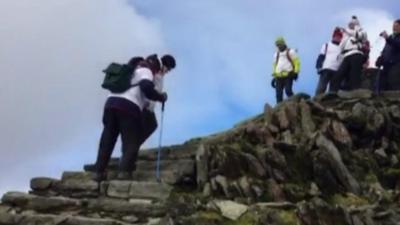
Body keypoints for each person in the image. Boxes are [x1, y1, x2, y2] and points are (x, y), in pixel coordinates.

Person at [93, 54, 167, 182]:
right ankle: (124, 172)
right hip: (128, 107)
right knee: (131, 141)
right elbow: (146, 87)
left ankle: (99, 172)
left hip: (110, 105)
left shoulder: (130, 71)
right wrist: (160, 97)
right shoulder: (146, 70)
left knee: (107, 139)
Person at [139, 54, 176, 147]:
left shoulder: (159, 73)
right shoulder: (154, 69)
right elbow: (147, 86)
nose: (168, 71)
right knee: (148, 125)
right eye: (169, 69)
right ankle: (132, 147)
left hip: (148, 107)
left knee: (152, 125)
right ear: (165, 65)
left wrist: (161, 96)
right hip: (144, 105)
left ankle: (133, 146)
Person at [330, 16, 369, 92]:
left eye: (353, 24)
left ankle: (355, 92)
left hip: (356, 54)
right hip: (346, 56)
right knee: (338, 75)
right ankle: (333, 92)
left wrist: (346, 30)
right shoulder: (346, 36)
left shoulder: (362, 32)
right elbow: (341, 47)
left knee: (354, 74)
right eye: (350, 24)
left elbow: (359, 36)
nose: (351, 25)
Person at [271, 37, 301, 103]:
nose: (278, 46)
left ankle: (296, 102)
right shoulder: (276, 54)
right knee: (278, 94)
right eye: (277, 45)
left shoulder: (291, 52)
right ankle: (279, 108)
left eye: (280, 44)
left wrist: (296, 72)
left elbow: (297, 62)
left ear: (283, 43)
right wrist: (274, 77)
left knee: (288, 91)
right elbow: (275, 65)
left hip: (288, 75)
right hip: (278, 77)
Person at [315, 28, 344, 95]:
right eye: (336, 36)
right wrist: (318, 66)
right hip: (326, 68)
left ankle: (330, 103)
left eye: (339, 37)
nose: (337, 38)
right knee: (321, 87)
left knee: (333, 90)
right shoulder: (326, 45)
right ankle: (317, 100)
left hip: (337, 70)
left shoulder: (342, 48)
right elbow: (321, 56)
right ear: (333, 37)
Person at [376, 19, 400, 91]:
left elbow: (397, 44)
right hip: (386, 64)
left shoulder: (391, 38)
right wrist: (380, 58)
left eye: (396, 26)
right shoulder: (391, 37)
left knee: (393, 82)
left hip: (396, 64)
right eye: (393, 26)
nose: (394, 28)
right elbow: (385, 50)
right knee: (382, 83)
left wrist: (387, 38)